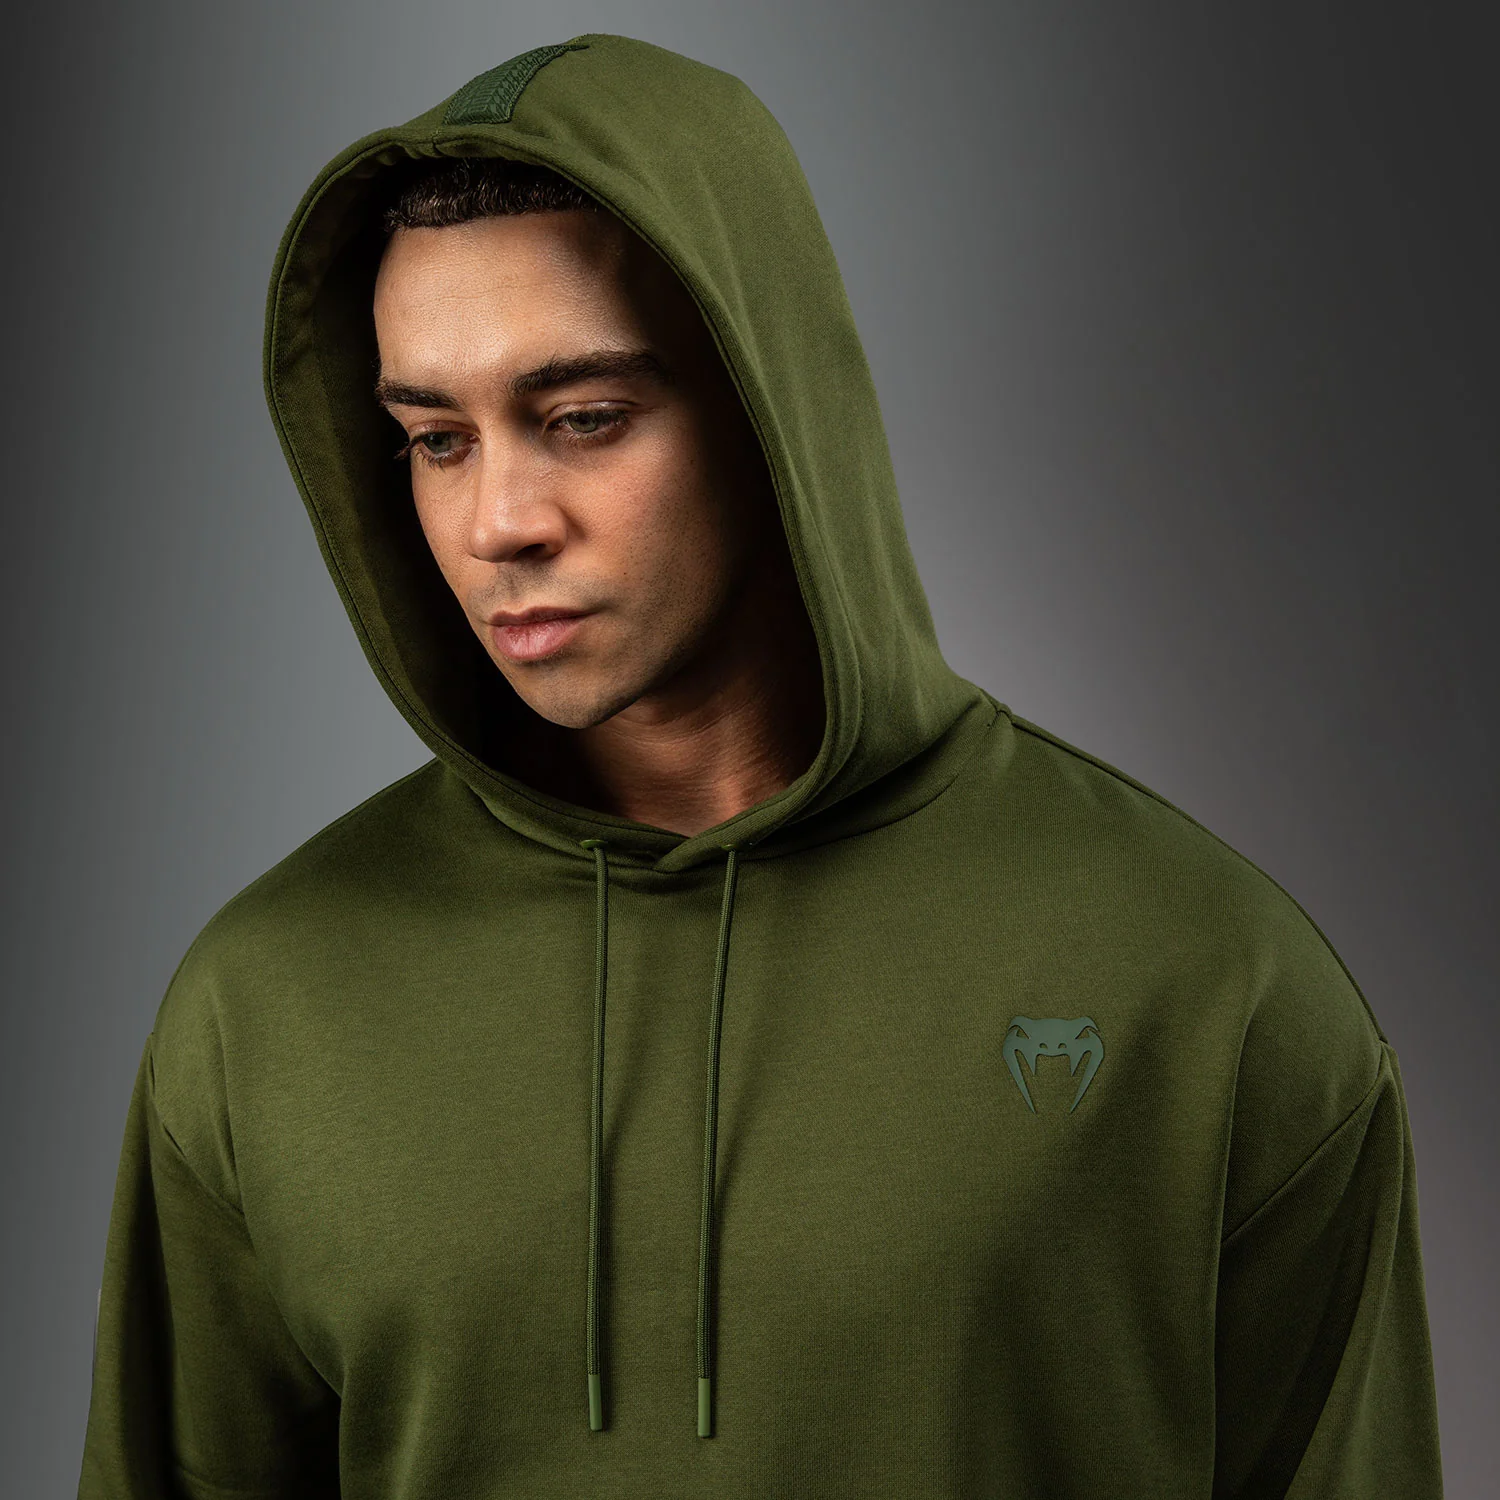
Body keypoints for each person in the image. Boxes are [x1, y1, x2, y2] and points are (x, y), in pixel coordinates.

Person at [78, 32, 1444, 1499]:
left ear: (772, 410)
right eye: (435, 439)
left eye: (583, 420)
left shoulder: (1209, 981)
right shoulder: (265, 1006)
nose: (497, 523)